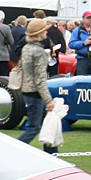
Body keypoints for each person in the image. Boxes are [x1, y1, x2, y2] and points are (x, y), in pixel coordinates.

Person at [16, 19, 56, 153]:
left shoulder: (26, 48)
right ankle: (13, 150)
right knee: (34, 128)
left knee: (46, 124)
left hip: (27, 90)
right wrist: (48, 100)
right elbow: (40, 79)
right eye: (44, 30)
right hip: (36, 93)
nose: (47, 32)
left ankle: (52, 153)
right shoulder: (39, 52)